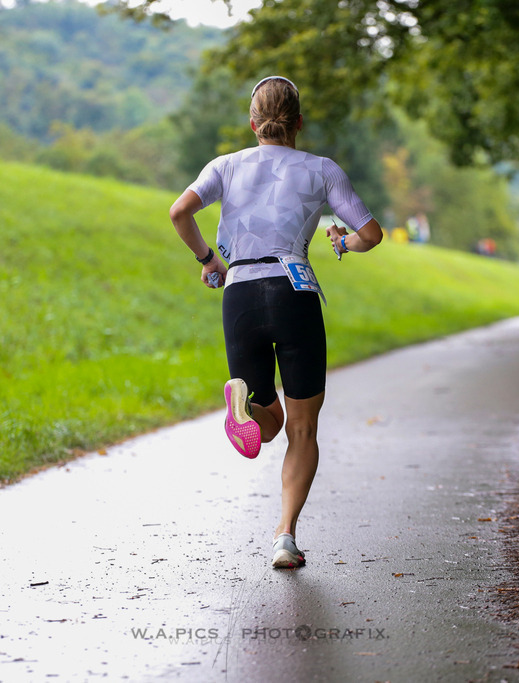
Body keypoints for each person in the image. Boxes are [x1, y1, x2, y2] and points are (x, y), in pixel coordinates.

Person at [169, 76, 383, 569]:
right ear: (299, 123)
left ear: (252, 123)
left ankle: (244, 409)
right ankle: (285, 537)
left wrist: (207, 259)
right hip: (295, 291)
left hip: (240, 293)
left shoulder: (224, 166)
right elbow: (370, 233)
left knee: (266, 425)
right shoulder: (322, 170)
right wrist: (342, 242)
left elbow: (180, 211)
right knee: (301, 430)